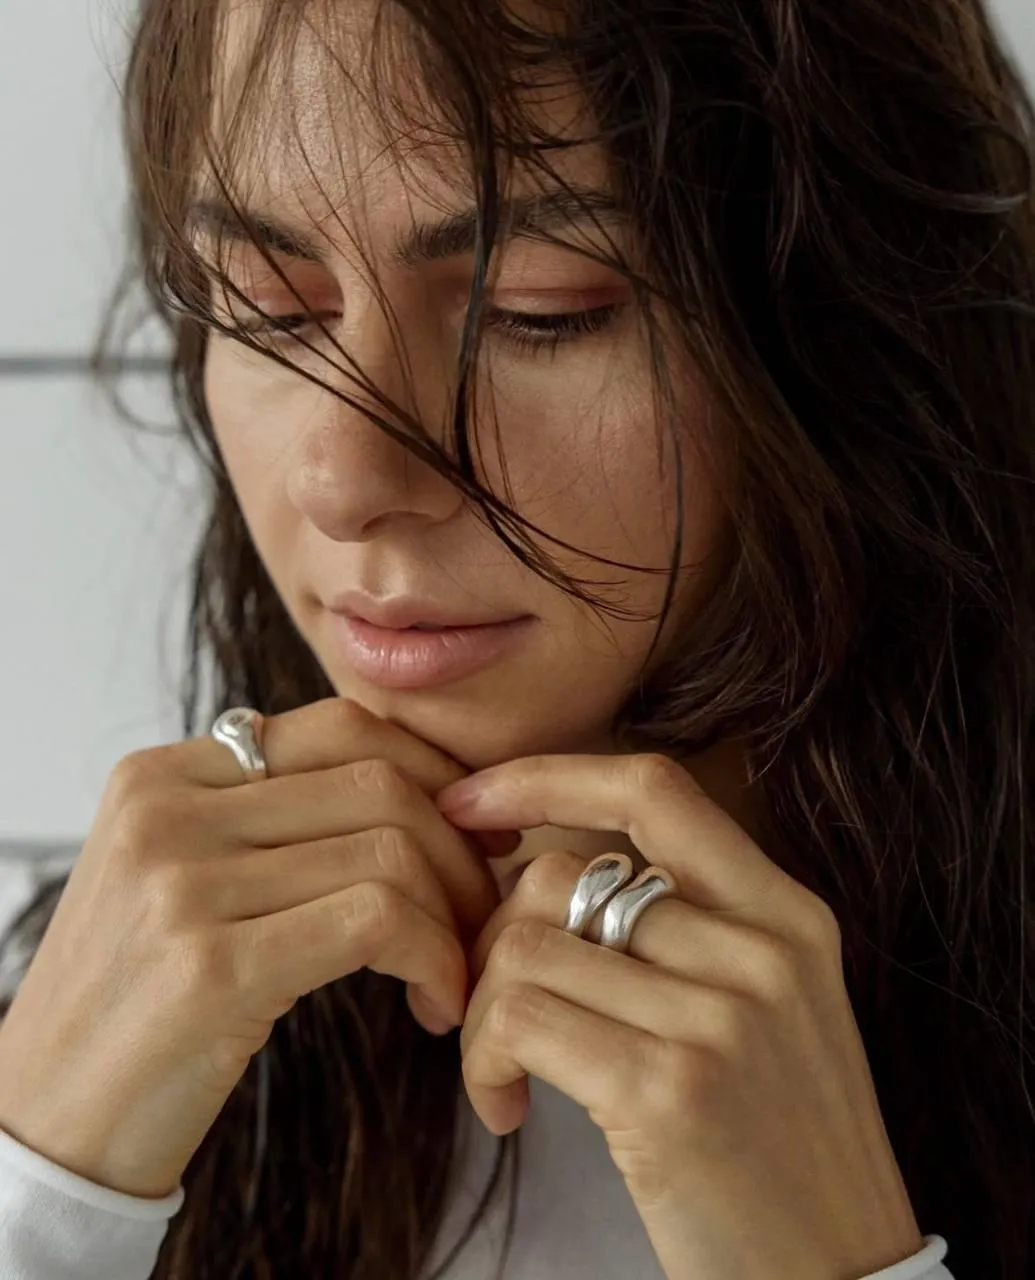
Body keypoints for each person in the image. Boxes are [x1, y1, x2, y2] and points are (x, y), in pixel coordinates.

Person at [0, 0, 1032, 1274]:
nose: (341, 474)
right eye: (265, 305)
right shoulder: (88, 1009)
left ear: (847, 333)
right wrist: (39, 1193)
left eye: (534, 309)